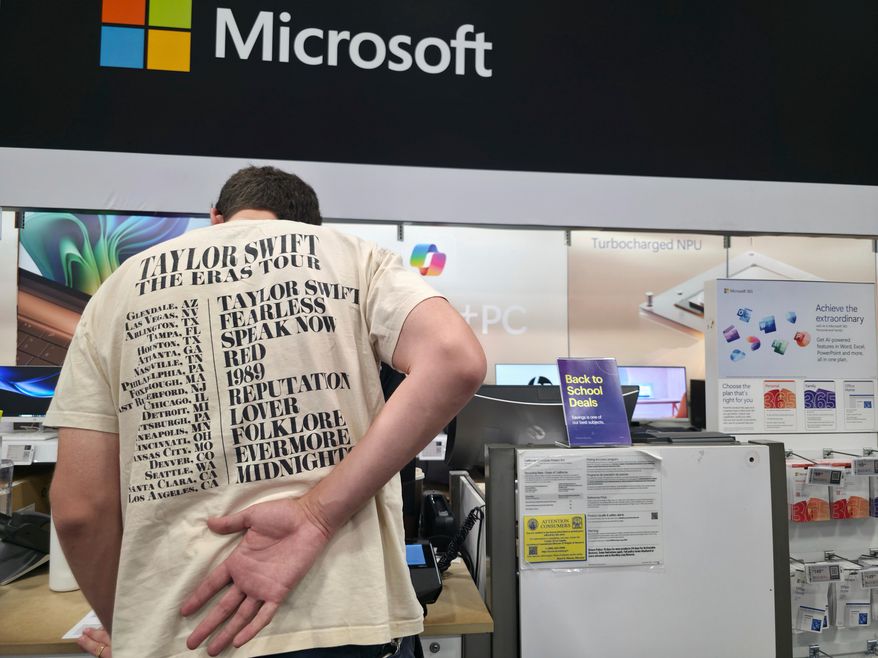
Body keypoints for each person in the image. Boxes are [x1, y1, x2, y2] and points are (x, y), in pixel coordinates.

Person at [47, 166, 486, 658]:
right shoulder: (353, 257)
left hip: (189, 630)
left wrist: (130, 630)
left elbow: (79, 511)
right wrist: (315, 516)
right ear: (309, 225)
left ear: (216, 217)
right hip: (344, 620)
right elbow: (455, 360)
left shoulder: (116, 292)